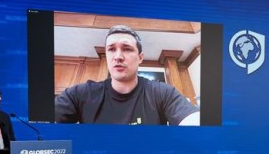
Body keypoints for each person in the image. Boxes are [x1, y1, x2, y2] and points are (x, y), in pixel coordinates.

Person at [55, 24, 200, 125]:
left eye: (127, 49)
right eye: (111, 49)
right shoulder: (79, 94)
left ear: (140, 58)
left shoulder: (162, 92)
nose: (118, 56)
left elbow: (192, 120)